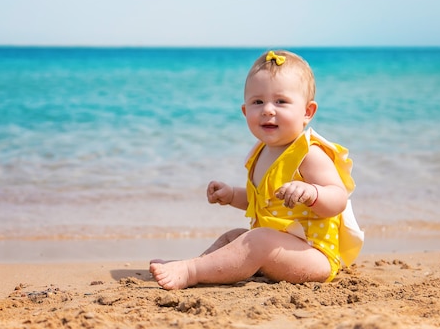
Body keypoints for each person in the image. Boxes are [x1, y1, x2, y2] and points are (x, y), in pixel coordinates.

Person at [149, 50, 364, 290]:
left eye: (281, 101)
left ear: (307, 112)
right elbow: (260, 200)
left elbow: (338, 198)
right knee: (234, 237)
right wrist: (231, 195)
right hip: (278, 249)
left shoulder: (309, 154)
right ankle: (198, 264)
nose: (268, 110)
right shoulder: (261, 152)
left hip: (314, 255)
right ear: (245, 112)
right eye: (258, 102)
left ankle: (191, 271)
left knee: (256, 239)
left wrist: (312, 192)